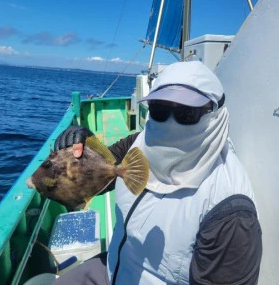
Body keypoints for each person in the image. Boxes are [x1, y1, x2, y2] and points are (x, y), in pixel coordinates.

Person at [54, 61, 262, 285]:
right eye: (160, 111)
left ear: (216, 114)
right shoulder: (139, 144)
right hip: (114, 268)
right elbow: (90, 178)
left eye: (187, 113)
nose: (171, 124)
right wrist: (82, 147)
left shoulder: (230, 211)